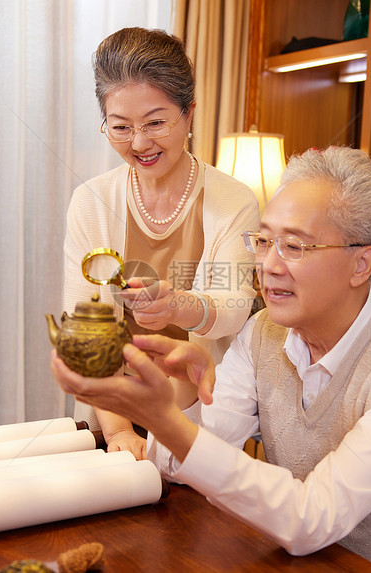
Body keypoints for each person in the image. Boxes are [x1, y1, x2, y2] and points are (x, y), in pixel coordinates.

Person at [52, 145, 371, 572]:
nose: (268, 265)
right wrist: (180, 406)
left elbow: (312, 518)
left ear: (361, 264)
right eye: (265, 241)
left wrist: (164, 420)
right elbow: (175, 468)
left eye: (294, 246)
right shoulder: (265, 333)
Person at [62, 27, 259, 461]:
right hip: (111, 411)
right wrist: (117, 432)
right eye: (120, 127)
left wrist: (177, 307)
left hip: (202, 420)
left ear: (188, 114)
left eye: (155, 123)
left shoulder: (233, 201)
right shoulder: (91, 202)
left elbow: (234, 307)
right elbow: (86, 330)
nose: (139, 143)